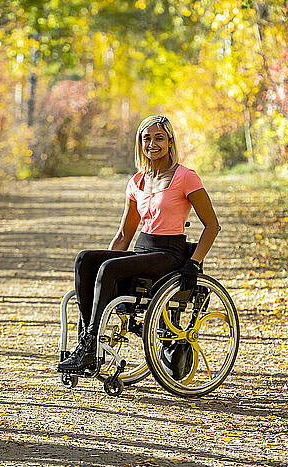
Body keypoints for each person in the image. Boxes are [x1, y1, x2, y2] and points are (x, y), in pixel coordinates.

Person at [57, 115, 220, 374]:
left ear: (169, 142)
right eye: (147, 138)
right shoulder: (137, 182)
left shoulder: (185, 177)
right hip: (143, 250)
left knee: (108, 268)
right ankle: (87, 341)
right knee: (86, 259)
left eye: (159, 138)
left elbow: (212, 225)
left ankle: (89, 348)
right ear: (140, 143)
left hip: (170, 253)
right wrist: (105, 261)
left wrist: (195, 262)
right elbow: (124, 234)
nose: (152, 144)